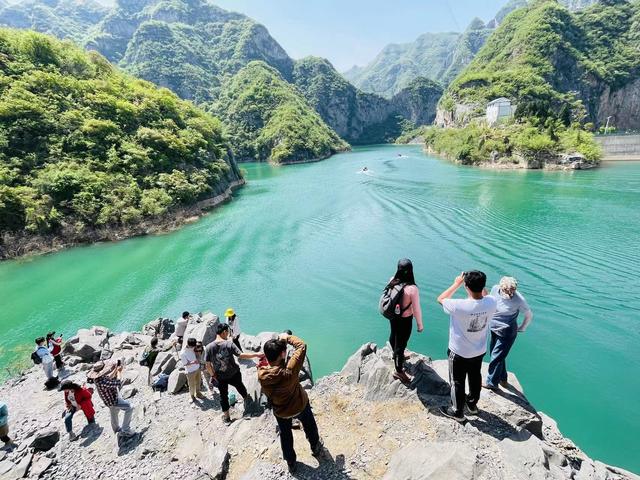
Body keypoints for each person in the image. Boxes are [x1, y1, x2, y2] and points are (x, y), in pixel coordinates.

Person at [258, 333, 324, 474]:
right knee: (310, 426)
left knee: (285, 434)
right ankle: (315, 447)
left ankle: (291, 462)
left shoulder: (262, 374)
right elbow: (301, 346)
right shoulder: (290, 370)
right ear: (282, 354)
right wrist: (287, 337)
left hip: (281, 411)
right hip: (300, 405)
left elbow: (269, 366)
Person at [437, 271, 497, 422]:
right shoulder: (492, 302)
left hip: (458, 352)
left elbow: (441, 298)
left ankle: (457, 411)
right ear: (483, 285)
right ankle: (472, 404)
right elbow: (485, 294)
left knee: (457, 381)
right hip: (479, 351)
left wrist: (456, 283)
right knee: (475, 377)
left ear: (466, 286)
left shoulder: (458, 305)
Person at [205, 324, 263, 424]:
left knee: (223, 396)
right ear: (224, 332)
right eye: (228, 332)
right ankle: (247, 401)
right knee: (240, 386)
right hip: (234, 373)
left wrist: (213, 375)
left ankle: (227, 418)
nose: (228, 334)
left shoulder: (209, 347)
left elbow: (208, 365)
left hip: (220, 376)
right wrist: (256, 354)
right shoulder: (229, 344)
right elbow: (241, 355)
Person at [484, 276, 533, 390]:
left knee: (496, 357)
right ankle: (503, 378)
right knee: (497, 355)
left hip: (507, 332)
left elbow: (529, 315)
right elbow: (490, 301)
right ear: (501, 287)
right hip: (494, 327)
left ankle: (491, 383)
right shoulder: (495, 289)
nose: (510, 293)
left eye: (512, 290)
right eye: (506, 290)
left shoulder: (519, 300)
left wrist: (522, 327)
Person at [386, 258, 424, 384]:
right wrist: (419, 325)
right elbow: (417, 309)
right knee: (401, 344)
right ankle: (398, 370)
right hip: (405, 319)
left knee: (393, 334)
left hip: (393, 316)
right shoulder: (412, 288)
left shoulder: (392, 280)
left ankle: (396, 355)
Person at [87, 360, 135, 438]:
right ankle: (126, 430)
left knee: (114, 413)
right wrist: (119, 372)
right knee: (130, 408)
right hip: (113, 401)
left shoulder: (98, 379)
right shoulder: (102, 381)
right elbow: (118, 382)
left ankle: (116, 430)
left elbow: (109, 377)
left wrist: (116, 369)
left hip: (108, 401)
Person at [181, 338, 205, 403]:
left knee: (198, 382)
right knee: (191, 385)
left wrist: (198, 358)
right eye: (193, 346)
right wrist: (194, 362)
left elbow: (198, 352)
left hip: (197, 368)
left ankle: (198, 393)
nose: (195, 347)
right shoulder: (183, 353)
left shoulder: (193, 347)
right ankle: (192, 396)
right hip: (190, 371)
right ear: (189, 345)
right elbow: (185, 364)